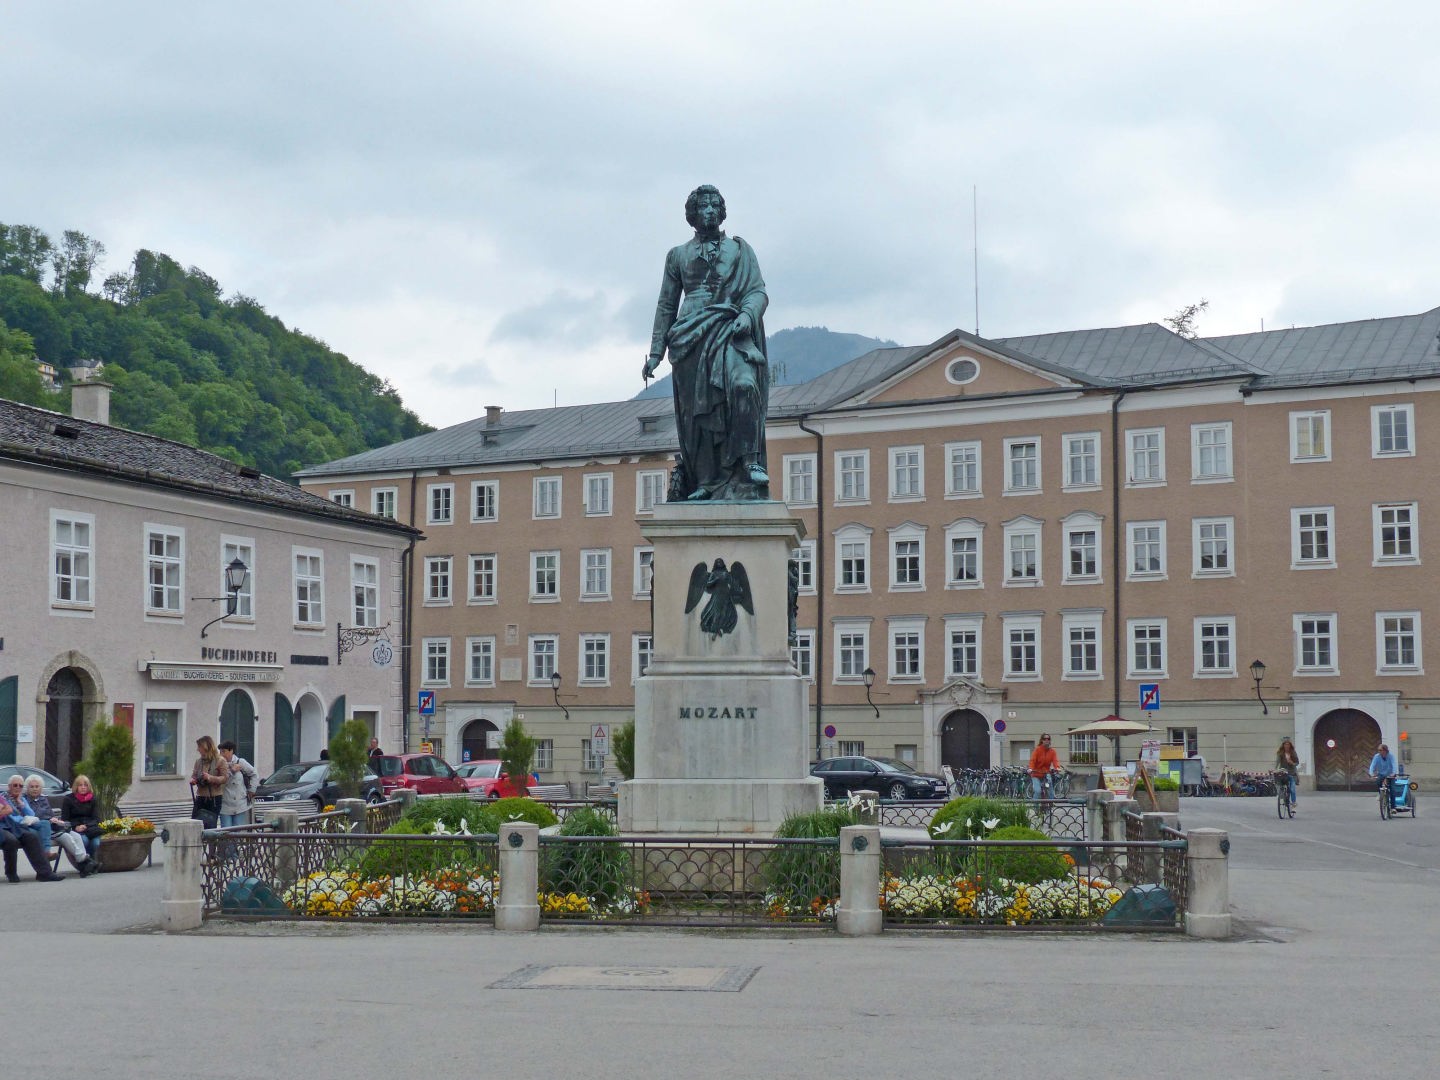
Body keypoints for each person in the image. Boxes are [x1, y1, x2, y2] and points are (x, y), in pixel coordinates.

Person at [644, 184, 771, 501]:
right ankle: (707, 480)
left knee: (744, 385)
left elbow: (757, 291)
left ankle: (749, 462)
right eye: (703, 206)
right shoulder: (677, 255)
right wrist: (656, 352)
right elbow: (666, 305)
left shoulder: (740, 251)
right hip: (689, 338)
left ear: (722, 211)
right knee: (696, 414)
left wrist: (748, 315)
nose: (710, 211)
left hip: (731, 330)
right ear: (692, 214)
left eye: (715, 205)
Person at [1, 788, 63, 882]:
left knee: (31, 837)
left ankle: (45, 873)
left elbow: (9, 809)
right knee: (11, 840)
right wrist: (3, 810)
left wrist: (4, 810)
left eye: (20, 785)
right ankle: (11, 873)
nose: (18, 787)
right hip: (3, 827)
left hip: (9, 824)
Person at [58, 774, 103, 870]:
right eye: (80, 785)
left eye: (85, 785)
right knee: (84, 841)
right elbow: (65, 820)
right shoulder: (68, 799)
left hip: (91, 829)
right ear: (76, 787)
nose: (83, 787)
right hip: (76, 829)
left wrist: (86, 825)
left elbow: (97, 819)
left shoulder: (93, 799)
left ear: (89, 787)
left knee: (95, 843)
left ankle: (89, 864)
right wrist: (76, 827)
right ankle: (88, 864)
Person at [217, 740, 257, 827]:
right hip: (225, 804)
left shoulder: (241, 762)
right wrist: (232, 770)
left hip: (240, 804)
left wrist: (252, 790)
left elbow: (254, 774)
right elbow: (219, 780)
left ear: (231, 751)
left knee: (238, 830)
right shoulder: (219, 765)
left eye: (224, 751)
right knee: (226, 830)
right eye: (220, 752)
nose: (221, 754)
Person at [191, 736, 226, 828]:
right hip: (200, 797)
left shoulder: (220, 760)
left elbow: (225, 778)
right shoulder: (198, 762)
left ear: (206, 747)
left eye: (199, 747)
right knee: (195, 824)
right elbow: (194, 775)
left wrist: (210, 778)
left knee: (210, 825)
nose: (198, 749)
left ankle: (211, 838)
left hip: (214, 798)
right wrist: (194, 780)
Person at [1028, 734, 1059, 800]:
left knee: (1050, 792)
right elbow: (1033, 760)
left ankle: (1051, 804)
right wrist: (1030, 768)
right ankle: (1035, 805)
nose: (1046, 740)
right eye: (1045, 739)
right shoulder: (1037, 750)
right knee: (1038, 791)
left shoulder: (1052, 751)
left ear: (1050, 741)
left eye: (1048, 739)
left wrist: (1057, 768)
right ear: (1042, 740)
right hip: (1036, 774)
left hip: (1046, 773)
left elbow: (1055, 761)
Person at [1275, 738, 1300, 814]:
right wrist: (1275, 769)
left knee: (1292, 789)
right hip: (1283, 772)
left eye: (1288, 744)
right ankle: (1283, 797)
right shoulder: (1281, 753)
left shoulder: (1293, 753)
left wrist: (1292, 763)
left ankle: (1293, 804)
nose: (1287, 746)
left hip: (1292, 773)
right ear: (1283, 745)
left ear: (1290, 745)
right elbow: (1277, 762)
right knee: (1280, 785)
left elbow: (1297, 762)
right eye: (1285, 744)